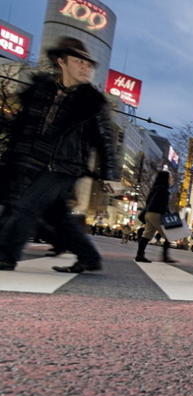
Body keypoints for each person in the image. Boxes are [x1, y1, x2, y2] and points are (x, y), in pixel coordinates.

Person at [0, 37, 116, 273]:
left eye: (89, 65)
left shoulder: (92, 102)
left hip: (64, 165)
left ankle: (5, 255)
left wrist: (110, 174)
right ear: (61, 62)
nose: (86, 68)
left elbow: (105, 140)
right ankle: (89, 256)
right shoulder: (40, 89)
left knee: (26, 206)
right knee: (57, 215)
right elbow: (21, 125)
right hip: (29, 160)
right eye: (79, 62)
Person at [135, 171, 175, 263]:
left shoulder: (155, 188)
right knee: (170, 234)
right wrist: (169, 215)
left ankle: (139, 255)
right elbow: (164, 205)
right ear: (166, 179)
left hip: (149, 214)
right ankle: (165, 257)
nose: (171, 179)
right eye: (170, 177)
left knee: (147, 235)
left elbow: (148, 202)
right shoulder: (163, 189)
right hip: (157, 214)